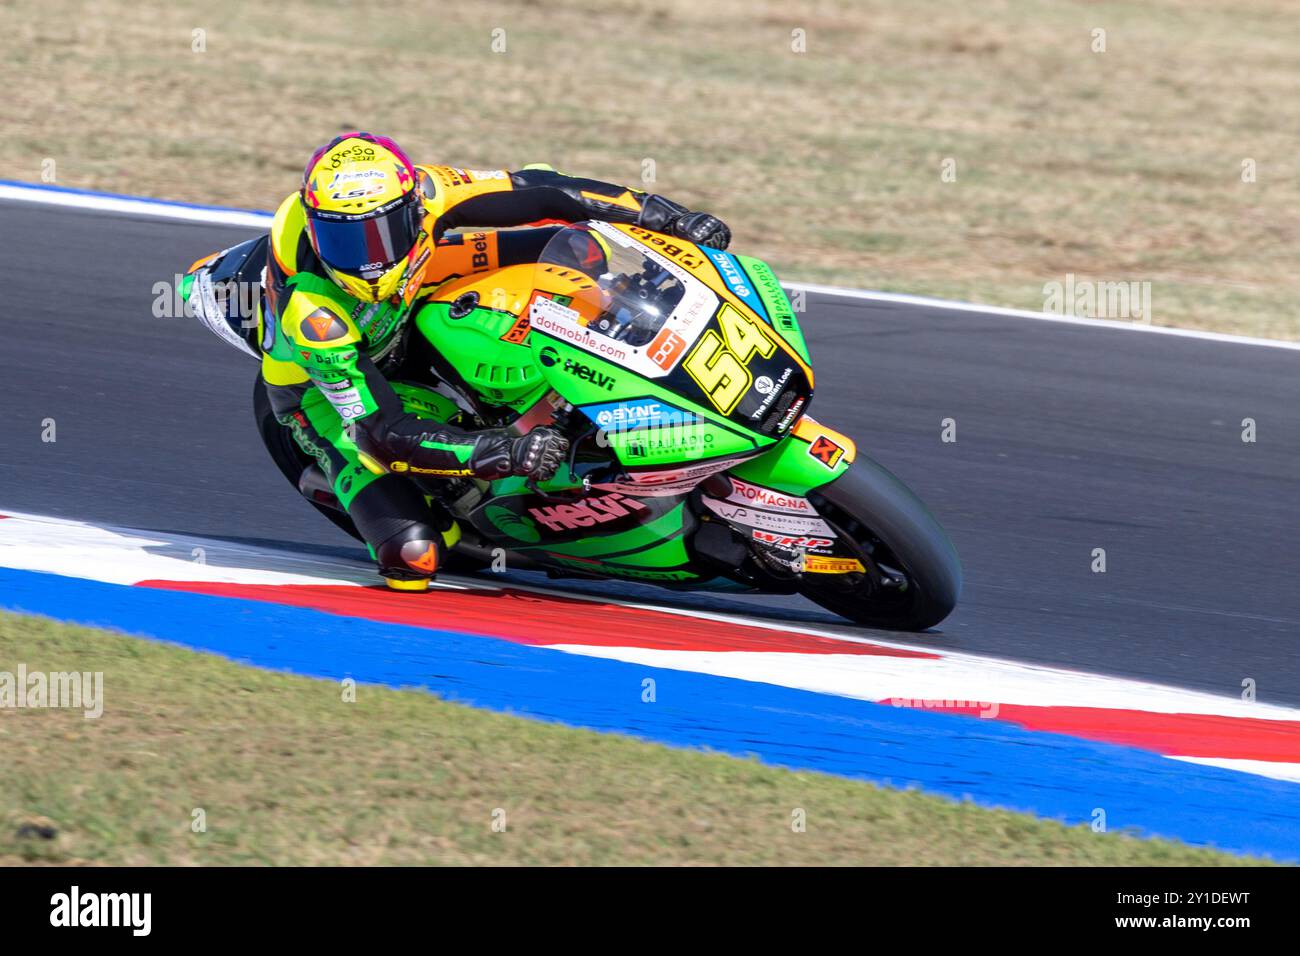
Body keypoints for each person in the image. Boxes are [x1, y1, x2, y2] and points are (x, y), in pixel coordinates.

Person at [259, 131, 731, 590]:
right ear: (318, 232)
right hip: (323, 388)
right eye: (345, 243)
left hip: (414, 287)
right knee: (413, 556)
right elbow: (384, 431)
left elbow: (541, 189)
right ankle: (452, 499)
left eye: (380, 238)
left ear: (414, 209)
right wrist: (504, 453)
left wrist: (667, 216)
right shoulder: (313, 314)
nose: (367, 262)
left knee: (578, 246)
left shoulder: (430, 188)